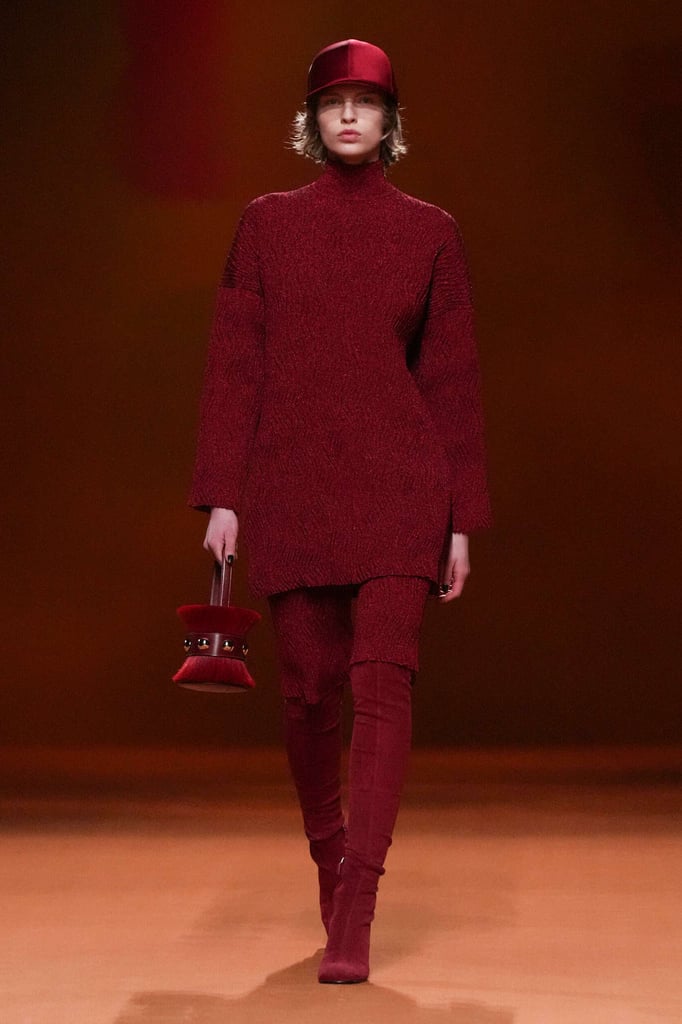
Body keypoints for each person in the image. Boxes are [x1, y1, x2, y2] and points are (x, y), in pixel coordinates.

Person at [187, 38, 493, 984]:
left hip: (401, 485)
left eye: (367, 102)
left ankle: (357, 903)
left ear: (391, 120)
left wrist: (461, 517)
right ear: (312, 119)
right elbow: (235, 364)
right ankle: (329, 863)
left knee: (383, 683)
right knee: (310, 694)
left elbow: (450, 381)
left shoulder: (430, 232)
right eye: (333, 103)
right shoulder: (266, 224)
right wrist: (222, 493)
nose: (350, 116)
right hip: (293, 483)